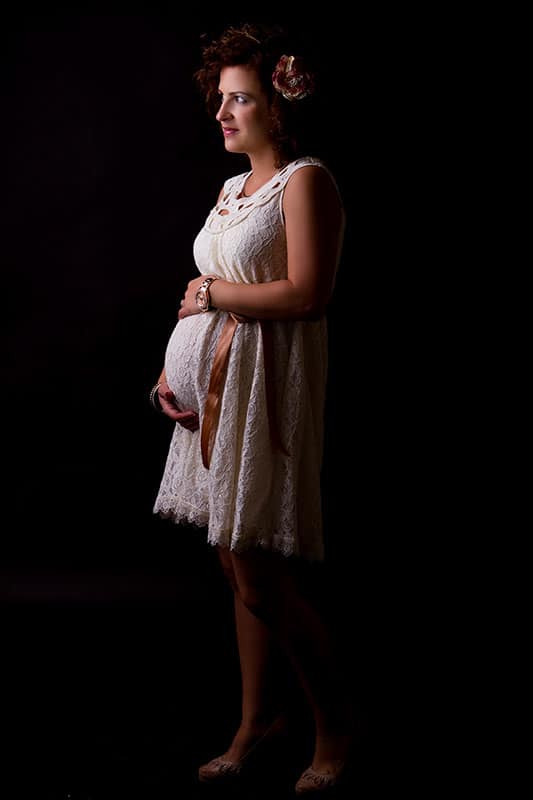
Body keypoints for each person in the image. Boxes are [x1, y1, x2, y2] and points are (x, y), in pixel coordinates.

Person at [150, 22, 353, 794]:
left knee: (260, 576)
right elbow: (198, 302)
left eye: (238, 99)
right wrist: (172, 376)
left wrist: (211, 294)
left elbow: (306, 294)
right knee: (234, 562)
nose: (221, 113)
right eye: (221, 98)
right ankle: (256, 721)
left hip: (264, 394)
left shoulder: (306, 182)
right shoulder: (231, 191)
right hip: (214, 401)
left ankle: (336, 726)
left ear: (278, 105)